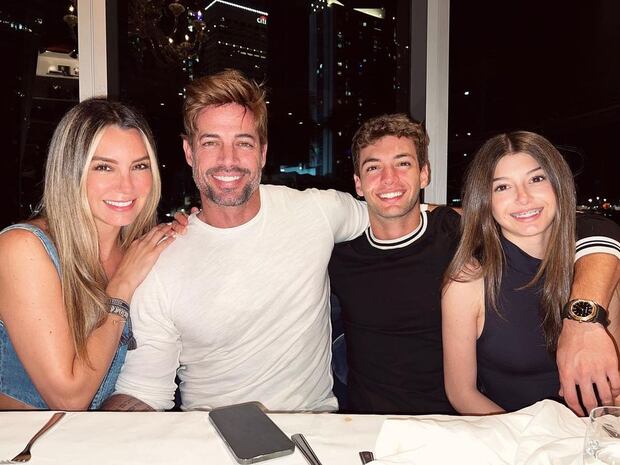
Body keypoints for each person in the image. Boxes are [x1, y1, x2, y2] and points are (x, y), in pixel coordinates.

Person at [105, 69, 368, 411]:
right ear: (189, 151)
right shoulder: (160, 262)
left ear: (262, 152)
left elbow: (393, 215)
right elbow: (144, 391)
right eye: (210, 143)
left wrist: (442, 217)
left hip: (310, 428)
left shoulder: (317, 211)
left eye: (243, 143)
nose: (227, 160)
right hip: (211, 432)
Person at [329, 115, 620, 415]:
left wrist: (583, 321)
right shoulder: (338, 256)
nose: (389, 178)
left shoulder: (456, 233)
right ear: (358, 183)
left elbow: (590, 226)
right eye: (373, 167)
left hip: (456, 423)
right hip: (368, 420)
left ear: (424, 174)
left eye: (403, 163)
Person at [0, 98, 176, 410]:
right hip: (26, 439)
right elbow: (68, 398)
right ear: (70, 172)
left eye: (139, 166)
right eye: (104, 167)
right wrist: (120, 288)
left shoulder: (138, 252)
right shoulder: (23, 248)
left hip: (99, 434)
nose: (126, 186)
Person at [442, 131, 620, 414]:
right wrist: (528, 437)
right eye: (502, 187)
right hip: (510, 432)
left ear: (558, 183)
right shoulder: (467, 281)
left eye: (536, 179)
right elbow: (461, 393)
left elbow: (613, 383)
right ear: (485, 200)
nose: (523, 197)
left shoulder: (595, 270)